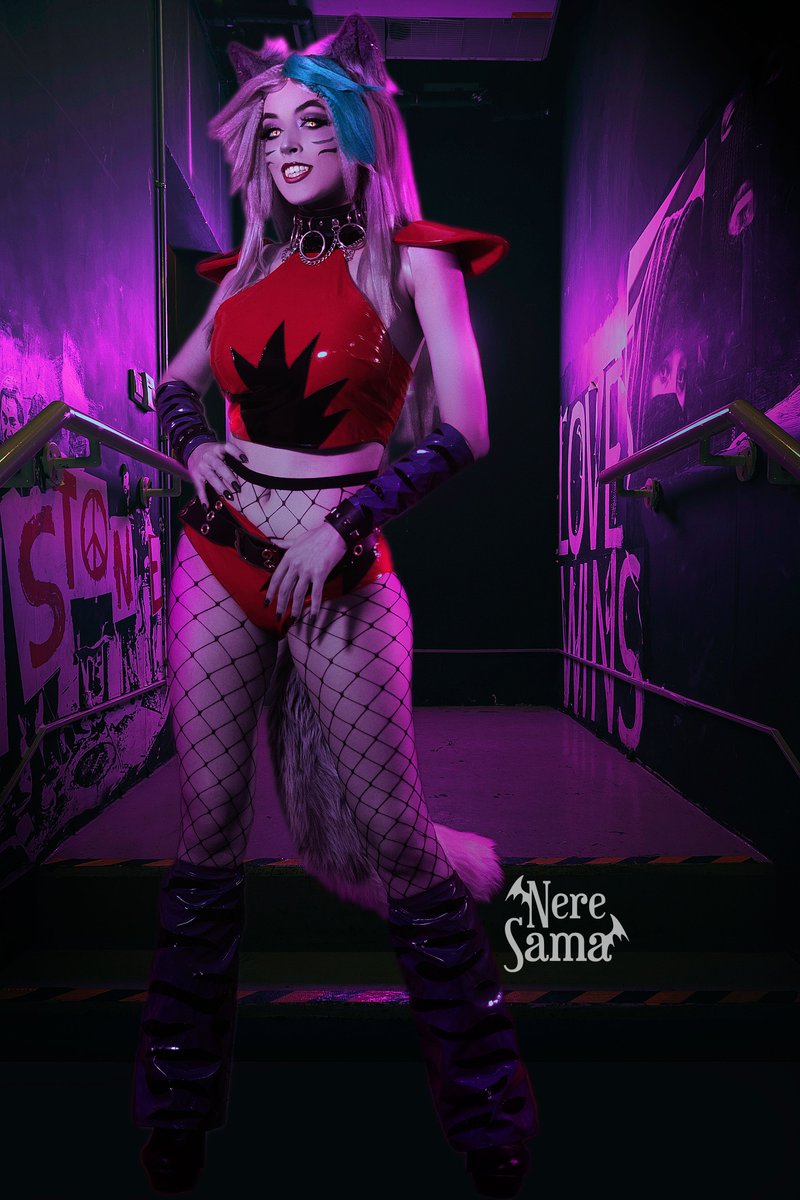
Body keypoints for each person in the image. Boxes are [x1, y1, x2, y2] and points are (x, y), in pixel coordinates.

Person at [132, 13, 539, 1197]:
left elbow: (467, 428)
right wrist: (194, 447)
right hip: (217, 557)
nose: (291, 144)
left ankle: (485, 1112)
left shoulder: (414, 261)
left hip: (342, 563)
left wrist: (346, 524)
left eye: (314, 120)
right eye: (271, 130)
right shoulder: (245, 272)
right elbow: (173, 385)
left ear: (360, 132)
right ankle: (174, 1109)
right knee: (206, 834)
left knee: (398, 845)